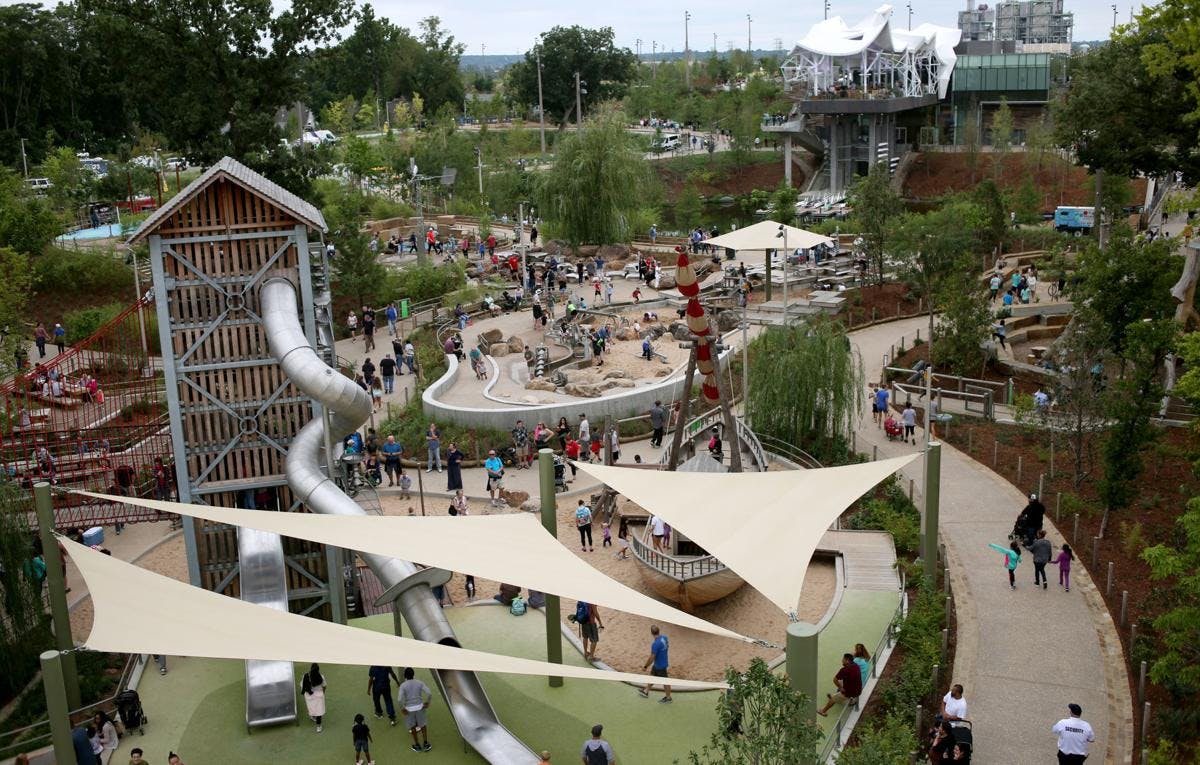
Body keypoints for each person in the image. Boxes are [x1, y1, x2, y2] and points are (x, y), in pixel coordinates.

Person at [397, 667, 433, 753]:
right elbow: (429, 693)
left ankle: (417, 745)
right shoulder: (419, 682)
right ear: (413, 674)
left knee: (412, 727)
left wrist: (402, 709)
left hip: (409, 709)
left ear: (405, 676)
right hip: (420, 707)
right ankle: (425, 743)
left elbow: (399, 699)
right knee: (423, 725)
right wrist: (427, 702)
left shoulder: (403, 685)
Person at [638, 625, 672, 702]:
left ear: (651, 633)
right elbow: (667, 646)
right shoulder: (665, 637)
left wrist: (645, 666)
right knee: (652, 676)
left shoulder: (655, 644)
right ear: (659, 631)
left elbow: (652, 657)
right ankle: (646, 691)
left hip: (660, 666)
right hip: (658, 663)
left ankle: (668, 698)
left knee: (665, 682)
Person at [302, 663, 327, 732]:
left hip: (309, 695)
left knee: (312, 707)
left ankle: (312, 716)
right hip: (319, 695)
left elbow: (303, 686)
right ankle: (318, 727)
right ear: (318, 669)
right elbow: (324, 686)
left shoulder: (305, 676)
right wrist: (323, 693)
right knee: (319, 712)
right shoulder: (321, 677)